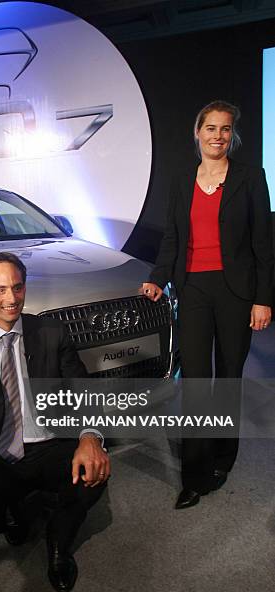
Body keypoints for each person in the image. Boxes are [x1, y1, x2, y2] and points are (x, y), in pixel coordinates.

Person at [0, 252, 110, 592]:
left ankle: (59, 544)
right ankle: (18, 506)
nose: (11, 299)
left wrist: (90, 436)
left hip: (50, 444)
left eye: (17, 288)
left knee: (94, 473)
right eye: (0, 290)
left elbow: (83, 388)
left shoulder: (50, 331)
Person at [142, 100, 273, 509]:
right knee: (196, 380)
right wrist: (158, 277)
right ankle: (195, 474)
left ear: (232, 135)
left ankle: (222, 456)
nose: (218, 136)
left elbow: (263, 245)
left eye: (225, 129)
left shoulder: (251, 177)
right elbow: (172, 238)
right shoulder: (181, 179)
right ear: (197, 132)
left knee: (228, 377)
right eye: (211, 128)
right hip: (194, 289)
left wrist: (263, 299)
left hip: (237, 292)